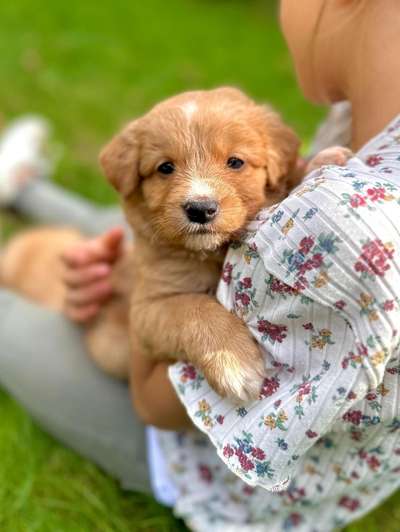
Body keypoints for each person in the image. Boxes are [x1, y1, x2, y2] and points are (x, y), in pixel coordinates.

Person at [1, 0, 399, 529]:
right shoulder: (361, 112)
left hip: (198, 454)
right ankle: (24, 189)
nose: (199, 192)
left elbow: (153, 390)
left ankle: (21, 229)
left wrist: (168, 305)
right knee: (129, 229)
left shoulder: (345, 228)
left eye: (233, 162)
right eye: (165, 167)